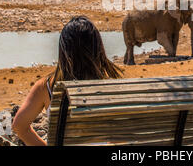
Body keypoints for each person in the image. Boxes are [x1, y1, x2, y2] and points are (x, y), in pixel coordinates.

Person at [12, 16, 122, 146]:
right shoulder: (110, 87)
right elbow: (122, 135)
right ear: (97, 48)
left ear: (63, 50)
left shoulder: (46, 87)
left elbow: (19, 127)